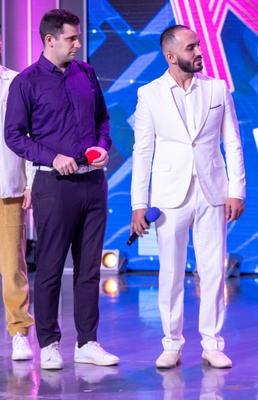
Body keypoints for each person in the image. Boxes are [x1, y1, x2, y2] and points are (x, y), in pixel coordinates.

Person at [4, 9, 119, 369]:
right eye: (71, 38)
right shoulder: (26, 82)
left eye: (77, 37)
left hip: (93, 182)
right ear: (50, 40)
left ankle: (87, 342)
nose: (77, 44)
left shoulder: (86, 73)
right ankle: (49, 343)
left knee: (89, 269)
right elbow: (14, 136)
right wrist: (52, 157)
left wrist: (103, 146)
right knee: (51, 267)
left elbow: (102, 120)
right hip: (53, 186)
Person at [131, 25, 245, 369]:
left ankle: (212, 344)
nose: (199, 52)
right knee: (170, 272)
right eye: (191, 47)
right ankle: (172, 343)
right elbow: (142, 151)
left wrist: (236, 190)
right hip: (169, 195)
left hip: (212, 191)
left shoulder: (217, 88)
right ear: (171, 56)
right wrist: (138, 204)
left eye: (198, 45)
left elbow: (232, 142)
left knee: (213, 271)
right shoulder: (149, 94)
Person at [0, 27, 35, 361]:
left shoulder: (16, 83)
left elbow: (30, 134)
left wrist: (31, 181)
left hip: (7, 186)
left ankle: (19, 331)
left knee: (12, 266)